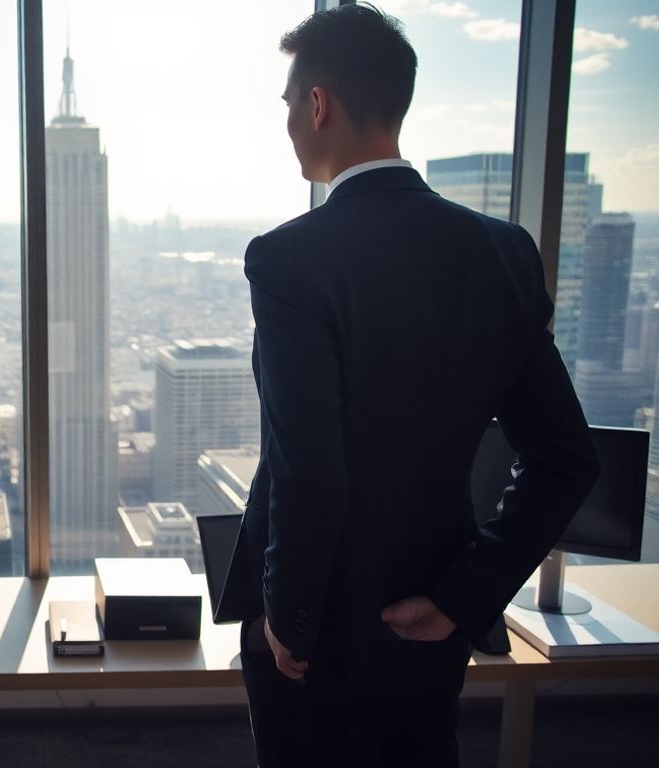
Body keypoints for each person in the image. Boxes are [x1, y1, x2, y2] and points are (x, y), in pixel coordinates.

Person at [213, 5, 601, 766]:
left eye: (289, 103)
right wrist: (465, 595)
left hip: (314, 632)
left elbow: (310, 467)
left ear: (317, 103)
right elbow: (567, 460)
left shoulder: (291, 259)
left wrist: (286, 620)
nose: (288, 121)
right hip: (431, 616)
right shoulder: (502, 253)